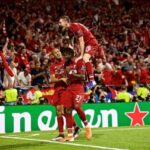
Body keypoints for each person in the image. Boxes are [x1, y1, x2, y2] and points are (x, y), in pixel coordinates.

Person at [59, 16, 103, 89]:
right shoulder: (69, 30)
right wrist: (72, 49)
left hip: (91, 42)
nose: (59, 24)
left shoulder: (74, 26)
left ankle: (92, 80)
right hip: (86, 44)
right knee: (80, 61)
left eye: (60, 22)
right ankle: (86, 82)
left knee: (85, 58)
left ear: (66, 21)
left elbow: (81, 41)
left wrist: (81, 55)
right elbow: (71, 41)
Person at [60, 47, 92, 142]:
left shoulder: (79, 62)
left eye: (65, 54)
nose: (64, 56)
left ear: (71, 54)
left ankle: (87, 126)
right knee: (67, 110)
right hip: (69, 88)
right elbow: (67, 76)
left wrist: (71, 73)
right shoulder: (66, 64)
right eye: (63, 54)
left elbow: (82, 77)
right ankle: (70, 135)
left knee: (77, 107)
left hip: (78, 88)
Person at [49, 48, 80, 141]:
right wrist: (61, 79)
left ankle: (72, 130)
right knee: (58, 111)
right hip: (57, 89)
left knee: (65, 111)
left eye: (58, 52)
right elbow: (52, 79)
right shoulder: (52, 66)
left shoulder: (66, 62)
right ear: (53, 56)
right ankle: (61, 134)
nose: (58, 54)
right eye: (55, 53)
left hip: (66, 89)